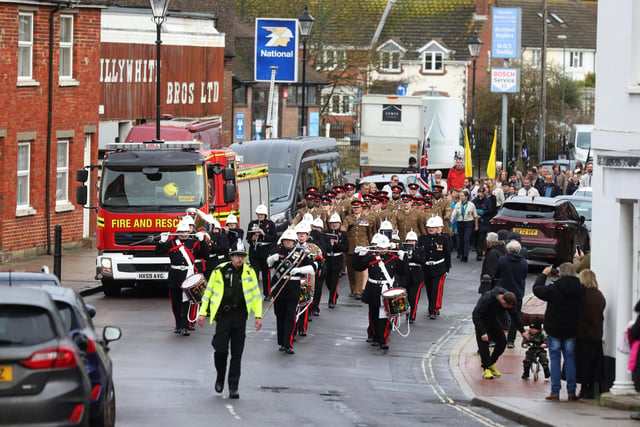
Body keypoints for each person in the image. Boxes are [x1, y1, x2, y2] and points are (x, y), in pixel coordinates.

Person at [196, 243, 262, 399]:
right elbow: (208, 292)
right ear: (231, 256)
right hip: (223, 316)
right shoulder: (219, 271)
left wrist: (258, 316)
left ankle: (233, 386)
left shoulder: (250, 272)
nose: (240, 259)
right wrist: (202, 313)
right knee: (220, 350)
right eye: (237, 255)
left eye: (242, 256)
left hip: (240, 317)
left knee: (237, 354)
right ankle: (220, 376)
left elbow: (256, 295)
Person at [533, 263, 586, 401]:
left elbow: (537, 289)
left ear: (560, 274)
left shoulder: (554, 288)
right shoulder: (581, 289)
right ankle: (571, 392)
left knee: (555, 360)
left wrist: (544, 274)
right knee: (570, 360)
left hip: (554, 329)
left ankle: (555, 392)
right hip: (572, 329)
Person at [156, 219, 209, 336]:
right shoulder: (172, 242)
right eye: (181, 232)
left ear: (189, 232)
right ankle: (178, 324)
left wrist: (202, 241)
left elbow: (205, 255)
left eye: (186, 232)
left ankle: (185, 326)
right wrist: (161, 241)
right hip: (175, 275)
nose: (184, 234)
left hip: (188, 275)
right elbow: (159, 252)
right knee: (175, 301)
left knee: (186, 302)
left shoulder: (194, 243)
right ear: (177, 232)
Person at [266, 228, 316, 354]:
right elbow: (268, 264)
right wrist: (273, 258)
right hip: (279, 287)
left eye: (290, 241)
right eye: (285, 241)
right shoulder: (276, 250)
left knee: (291, 316)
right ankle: (282, 342)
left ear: (294, 242)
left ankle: (289, 343)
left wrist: (299, 270)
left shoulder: (300, 253)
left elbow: (313, 268)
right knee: (280, 316)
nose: (287, 243)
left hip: (293, 287)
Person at [353, 234, 404, 350]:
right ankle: (375, 336)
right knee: (374, 315)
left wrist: (403, 259)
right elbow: (358, 267)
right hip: (373, 289)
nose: (381, 250)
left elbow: (403, 272)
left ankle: (383, 339)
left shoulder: (393, 258)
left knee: (385, 316)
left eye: (384, 248)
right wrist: (358, 255)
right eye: (380, 248)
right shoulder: (371, 258)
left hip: (387, 289)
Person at [472, 287, 529, 379]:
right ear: (503, 302)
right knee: (484, 344)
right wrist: (482, 332)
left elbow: (515, 315)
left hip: (493, 320)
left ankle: (490, 364)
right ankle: (486, 369)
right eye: (508, 307)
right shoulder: (487, 299)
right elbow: (476, 315)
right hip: (481, 321)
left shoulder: (509, 298)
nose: (509, 309)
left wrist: (522, 331)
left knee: (502, 341)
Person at [575, 269, 606, 399]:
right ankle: (591, 390)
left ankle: (583, 390)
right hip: (596, 334)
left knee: (583, 365)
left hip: (583, 334)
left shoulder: (582, 296)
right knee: (594, 365)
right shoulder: (599, 295)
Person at [494, 240, 528, 348]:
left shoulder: (502, 260)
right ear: (519, 250)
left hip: (502, 292)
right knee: (515, 317)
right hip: (517, 293)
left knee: (498, 315)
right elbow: (523, 276)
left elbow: (497, 274)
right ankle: (510, 341)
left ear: (508, 249)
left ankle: (497, 338)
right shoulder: (523, 262)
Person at [417, 216, 451, 319]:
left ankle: (434, 309)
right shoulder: (422, 239)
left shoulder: (443, 239)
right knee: (429, 289)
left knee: (437, 289)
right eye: (429, 227)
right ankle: (431, 306)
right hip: (426, 267)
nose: (430, 229)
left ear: (438, 228)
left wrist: (447, 268)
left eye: (433, 227)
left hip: (439, 267)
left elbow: (447, 254)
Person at [247, 204, 277, 301]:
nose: (259, 216)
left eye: (261, 214)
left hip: (266, 250)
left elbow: (274, 238)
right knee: (254, 273)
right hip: (255, 251)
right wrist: (252, 238)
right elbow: (248, 238)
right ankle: (254, 293)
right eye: (258, 214)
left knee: (266, 273)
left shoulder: (270, 224)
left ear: (265, 215)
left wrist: (264, 234)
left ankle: (267, 293)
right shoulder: (252, 223)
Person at [323, 213, 349, 309]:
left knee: (334, 281)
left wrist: (338, 243)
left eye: (336, 223)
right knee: (327, 281)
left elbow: (346, 248)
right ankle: (334, 293)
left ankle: (332, 300)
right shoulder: (326, 233)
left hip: (337, 259)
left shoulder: (343, 235)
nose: (334, 225)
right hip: (328, 258)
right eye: (332, 223)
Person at [401, 230, 425, 324]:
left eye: (413, 241)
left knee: (413, 297)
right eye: (409, 241)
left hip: (416, 276)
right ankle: (403, 313)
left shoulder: (420, 249)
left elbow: (422, 260)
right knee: (403, 298)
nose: (411, 242)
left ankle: (411, 316)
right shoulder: (402, 250)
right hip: (405, 276)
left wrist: (412, 254)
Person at [452, 190, 478, 262]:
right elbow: (454, 212)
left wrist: (476, 225)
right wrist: (452, 218)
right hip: (460, 223)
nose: (460, 197)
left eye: (462, 196)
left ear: (466, 197)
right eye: (460, 196)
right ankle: (462, 253)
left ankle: (466, 255)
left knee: (466, 239)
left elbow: (475, 216)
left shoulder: (471, 204)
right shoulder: (458, 204)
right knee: (461, 239)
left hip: (468, 223)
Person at [472, 187, 493, 261]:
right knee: (476, 237)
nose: (480, 193)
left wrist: (482, 213)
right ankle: (477, 249)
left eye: (482, 192)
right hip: (476, 221)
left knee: (481, 238)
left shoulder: (487, 201)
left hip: (484, 221)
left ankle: (479, 254)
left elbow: (490, 210)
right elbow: (472, 209)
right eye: (479, 192)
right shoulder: (474, 201)